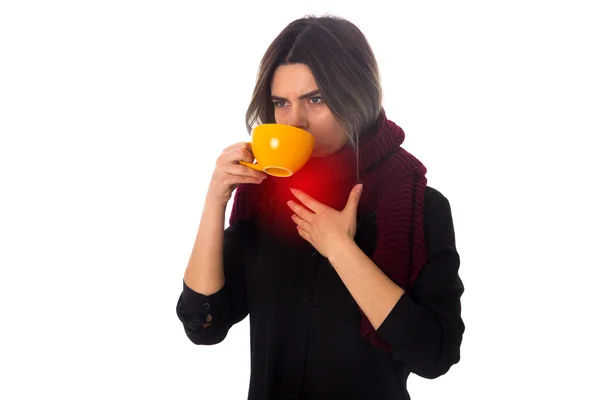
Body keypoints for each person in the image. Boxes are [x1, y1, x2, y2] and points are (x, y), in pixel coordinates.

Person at [176, 14, 465, 400]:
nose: (295, 122)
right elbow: (203, 323)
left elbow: (435, 355)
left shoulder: (418, 206)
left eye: (316, 99)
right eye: (281, 102)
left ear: (355, 95)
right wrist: (215, 200)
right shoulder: (263, 197)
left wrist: (341, 250)